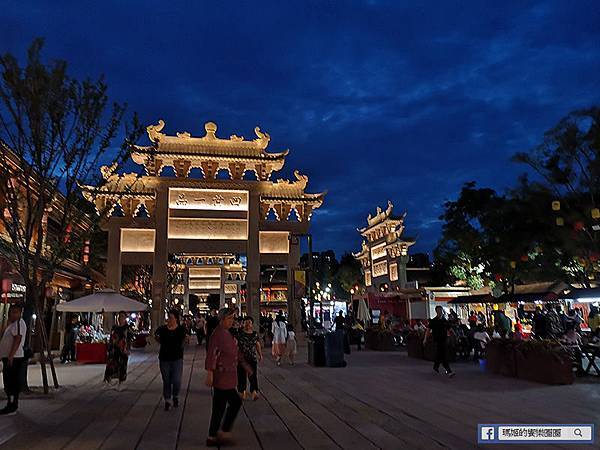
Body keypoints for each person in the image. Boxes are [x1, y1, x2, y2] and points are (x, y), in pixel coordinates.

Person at [205, 308, 242, 447]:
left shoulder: (226, 333)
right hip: (222, 375)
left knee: (219, 406)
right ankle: (222, 431)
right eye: (229, 318)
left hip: (228, 374)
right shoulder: (218, 334)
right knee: (234, 402)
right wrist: (210, 372)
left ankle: (213, 435)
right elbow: (212, 353)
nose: (232, 321)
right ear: (222, 320)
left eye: (233, 318)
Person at [155, 309, 187, 411]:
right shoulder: (162, 329)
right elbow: (156, 336)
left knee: (177, 380)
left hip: (177, 358)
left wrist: (181, 346)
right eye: (168, 317)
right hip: (164, 358)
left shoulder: (181, 329)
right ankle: (167, 400)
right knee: (166, 380)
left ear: (176, 319)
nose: (169, 319)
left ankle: (175, 395)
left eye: (171, 318)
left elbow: (185, 339)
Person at [0, 304, 26, 415]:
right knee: (9, 380)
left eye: (15, 312)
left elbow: (18, 339)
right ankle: (10, 403)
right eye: (12, 311)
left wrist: (11, 355)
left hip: (14, 358)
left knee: (11, 381)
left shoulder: (19, 323)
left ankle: (12, 405)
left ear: (20, 313)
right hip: (10, 357)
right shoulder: (13, 324)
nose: (13, 314)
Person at [424, 306, 454, 377]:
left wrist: (454, 335)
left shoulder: (444, 320)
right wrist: (425, 339)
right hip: (437, 340)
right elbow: (428, 330)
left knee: (440, 354)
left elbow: (450, 329)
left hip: (444, 339)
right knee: (443, 355)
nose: (440, 312)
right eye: (438, 311)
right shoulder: (433, 321)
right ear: (436, 311)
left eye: (441, 310)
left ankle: (436, 366)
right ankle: (448, 370)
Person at [237, 316, 262, 400]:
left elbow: (257, 344)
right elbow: (235, 344)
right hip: (241, 359)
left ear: (252, 324)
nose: (248, 325)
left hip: (252, 357)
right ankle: (242, 391)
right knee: (241, 375)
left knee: (253, 375)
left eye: (249, 323)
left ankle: (254, 391)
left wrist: (260, 355)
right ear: (243, 324)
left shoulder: (255, 334)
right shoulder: (239, 333)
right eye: (246, 323)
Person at [104, 311, 131, 389]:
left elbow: (129, 339)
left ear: (125, 318)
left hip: (123, 350)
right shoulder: (114, 327)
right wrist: (109, 348)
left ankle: (121, 382)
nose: (120, 318)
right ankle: (108, 381)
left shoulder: (127, 328)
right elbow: (111, 338)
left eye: (122, 316)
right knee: (110, 365)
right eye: (119, 316)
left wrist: (127, 349)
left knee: (122, 366)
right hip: (114, 349)